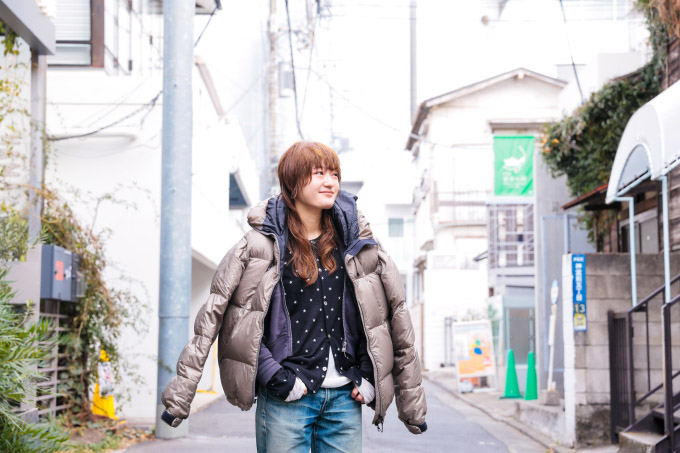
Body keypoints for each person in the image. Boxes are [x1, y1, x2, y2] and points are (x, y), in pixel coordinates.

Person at [160, 141, 427, 452]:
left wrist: (369, 376)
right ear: (292, 181)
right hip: (286, 398)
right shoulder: (259, 246)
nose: (330, 182)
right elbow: (228, 319)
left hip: (345, 400)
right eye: (319, 173)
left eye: (334, 174)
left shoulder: (359, 243)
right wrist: (274, 376)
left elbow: (388, 317)